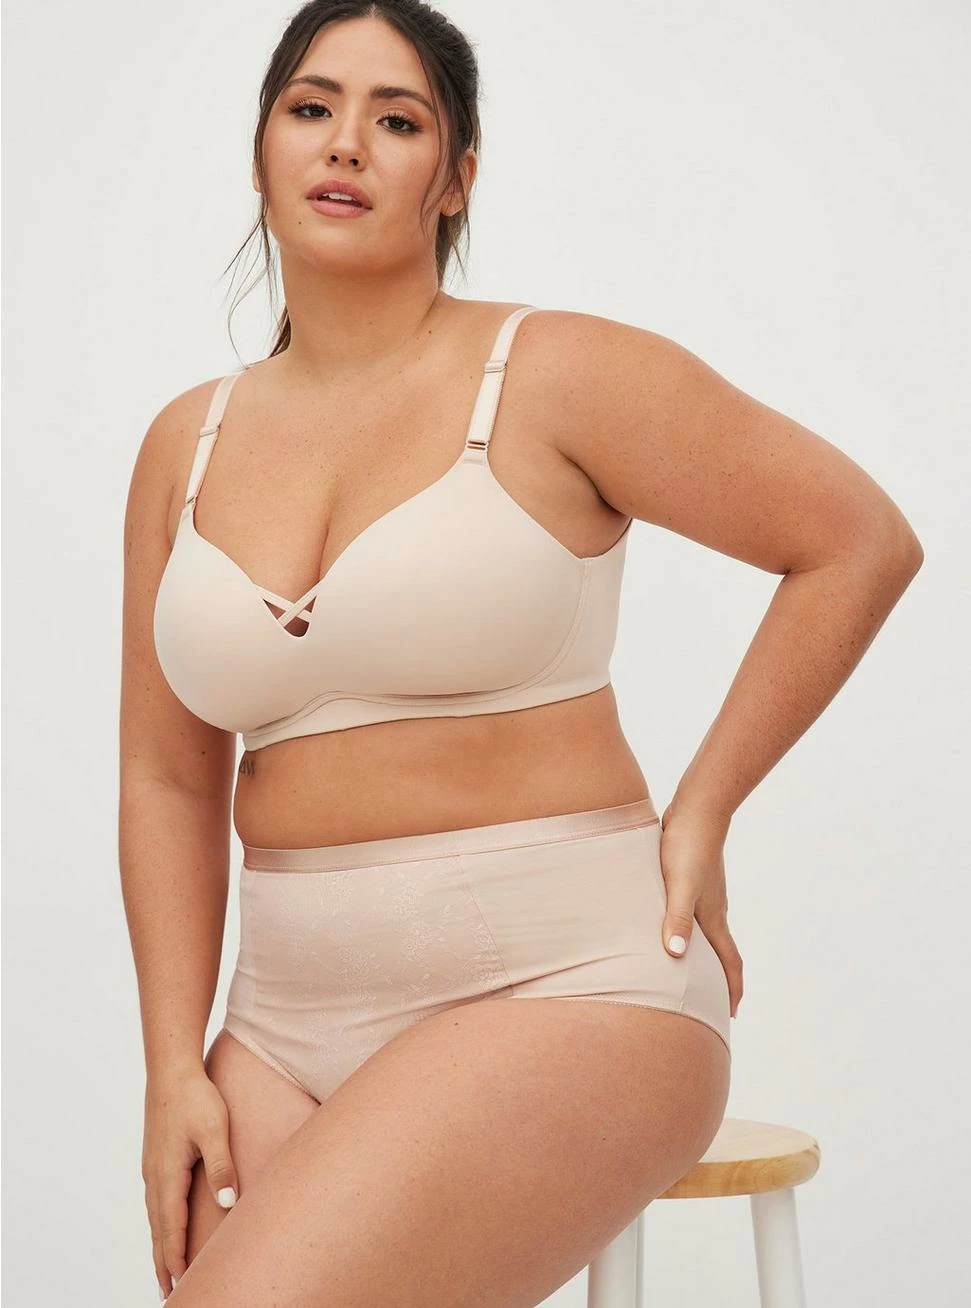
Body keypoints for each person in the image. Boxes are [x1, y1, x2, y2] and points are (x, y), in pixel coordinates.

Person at [118, 3, 923, 1304]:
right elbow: (166, 777)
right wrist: (172, 1064)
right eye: (311, 107)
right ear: (261, 146)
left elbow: (855, 542)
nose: (346, 143)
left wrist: (703, 808)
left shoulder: (555, 374)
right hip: (277, 1027)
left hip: (566, 983)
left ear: (456, 178)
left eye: (398, 120)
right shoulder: (184, 445)